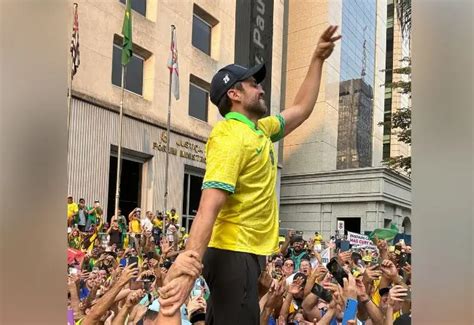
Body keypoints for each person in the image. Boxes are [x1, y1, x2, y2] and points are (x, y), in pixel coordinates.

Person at [157, 25, 342, 324]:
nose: (261, 88)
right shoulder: (229, 136)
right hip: (233, 253)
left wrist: (318, 59)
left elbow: (302, 109)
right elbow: (209, 205)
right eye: (253, 83)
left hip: (244, 255)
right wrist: (187, 266)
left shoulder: (260, 130)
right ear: (234, 94)